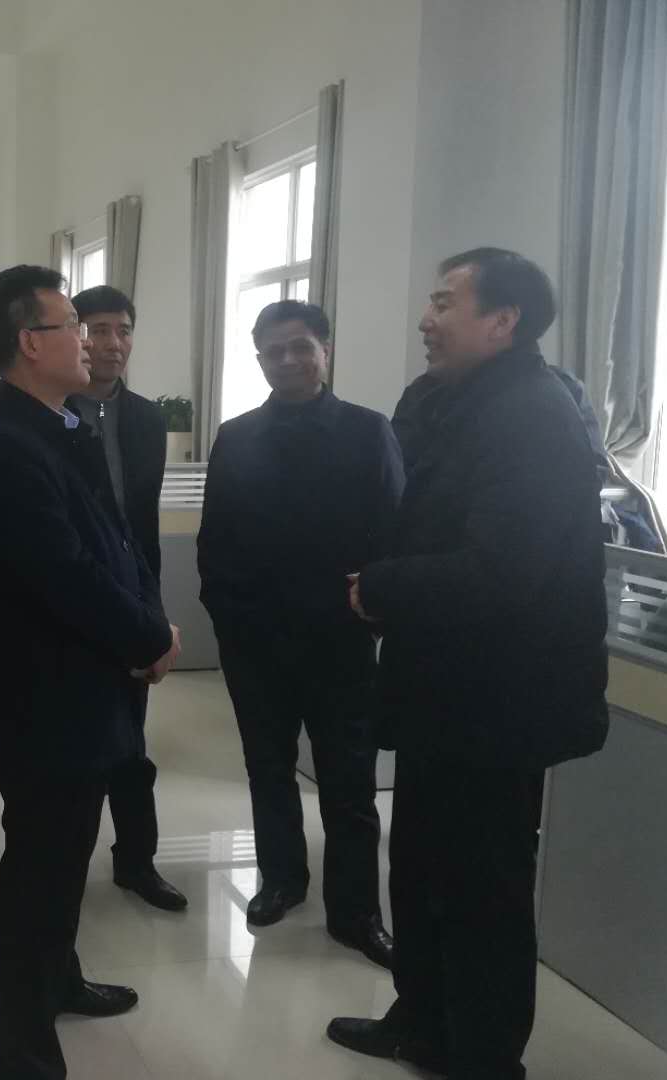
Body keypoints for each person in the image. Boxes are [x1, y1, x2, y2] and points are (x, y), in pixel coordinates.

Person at [328, 249, 609, 1079]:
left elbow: (504, 571)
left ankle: (484, 1058)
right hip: (443, 694)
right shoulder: (450, 399)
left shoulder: (533, 415)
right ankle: (422, 1022)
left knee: (483, 888)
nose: (427, 319)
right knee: (420, 869)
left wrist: (382, 587)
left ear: (503, 321)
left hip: (498, 705)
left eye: (446, 303)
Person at [0, 265, 181, 1080]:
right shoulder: (3, 447)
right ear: (30, 342)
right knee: (40, 872)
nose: (91, 341)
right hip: (48, 693)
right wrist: (147, 635)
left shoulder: (57, 424)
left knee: (64, 861)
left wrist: (146, 626)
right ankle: (21, 1053)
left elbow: (116, 542)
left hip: (88, 682)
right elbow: (65, 575)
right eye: (73, 326)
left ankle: (60, 980)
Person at [196, 300, 401, 970]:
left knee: (349, 779)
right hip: (255, 640)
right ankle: (283, 879)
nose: (288, 360)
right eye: (274, 351)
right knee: (268, 767)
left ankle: (357, 911)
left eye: (301, 347)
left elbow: (392, 530)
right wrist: (227, 616)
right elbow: (215, 537)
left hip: (341, 639)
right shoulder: (237, 436)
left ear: (325, 351)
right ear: (259, 359)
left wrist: (373, 610)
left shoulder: (368, 431)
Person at [66, 284, 186, 913]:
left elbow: (142, 525)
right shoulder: (50, 411)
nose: (112, 343)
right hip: (70, 598)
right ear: (73, 335)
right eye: (98, 329)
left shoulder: (145, 418)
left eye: (123, 330)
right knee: (76, 745)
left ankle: (137, 861)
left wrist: (154, 610)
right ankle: (64, 866)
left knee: (132, 742)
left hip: (133, 592)